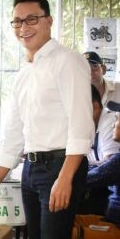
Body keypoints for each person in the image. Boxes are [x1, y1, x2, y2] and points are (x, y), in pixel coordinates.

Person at [0, 0, 94, 239]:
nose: (23, 27)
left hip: (60, 167)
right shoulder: (24, 73)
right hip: (30, 169)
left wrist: (65, 179)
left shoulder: (67, 60)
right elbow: (13, 133)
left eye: (32, 19)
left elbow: (81, 125)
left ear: (49, 21)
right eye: (18, 21)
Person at [72, 100, 120, 239]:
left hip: (116, 227)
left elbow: (92, 177)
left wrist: (62, 177)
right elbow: (101, 168)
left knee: (59, 232)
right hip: (110, 220)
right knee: (60, 221)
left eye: (117, 120)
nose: (112, 124)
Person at [76, 85, 116, 216]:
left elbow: (108, 167)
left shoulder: (110, 122)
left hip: (108, 206)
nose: (116, 122)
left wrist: (67, 175)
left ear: (94, 107)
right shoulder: (85, 125)